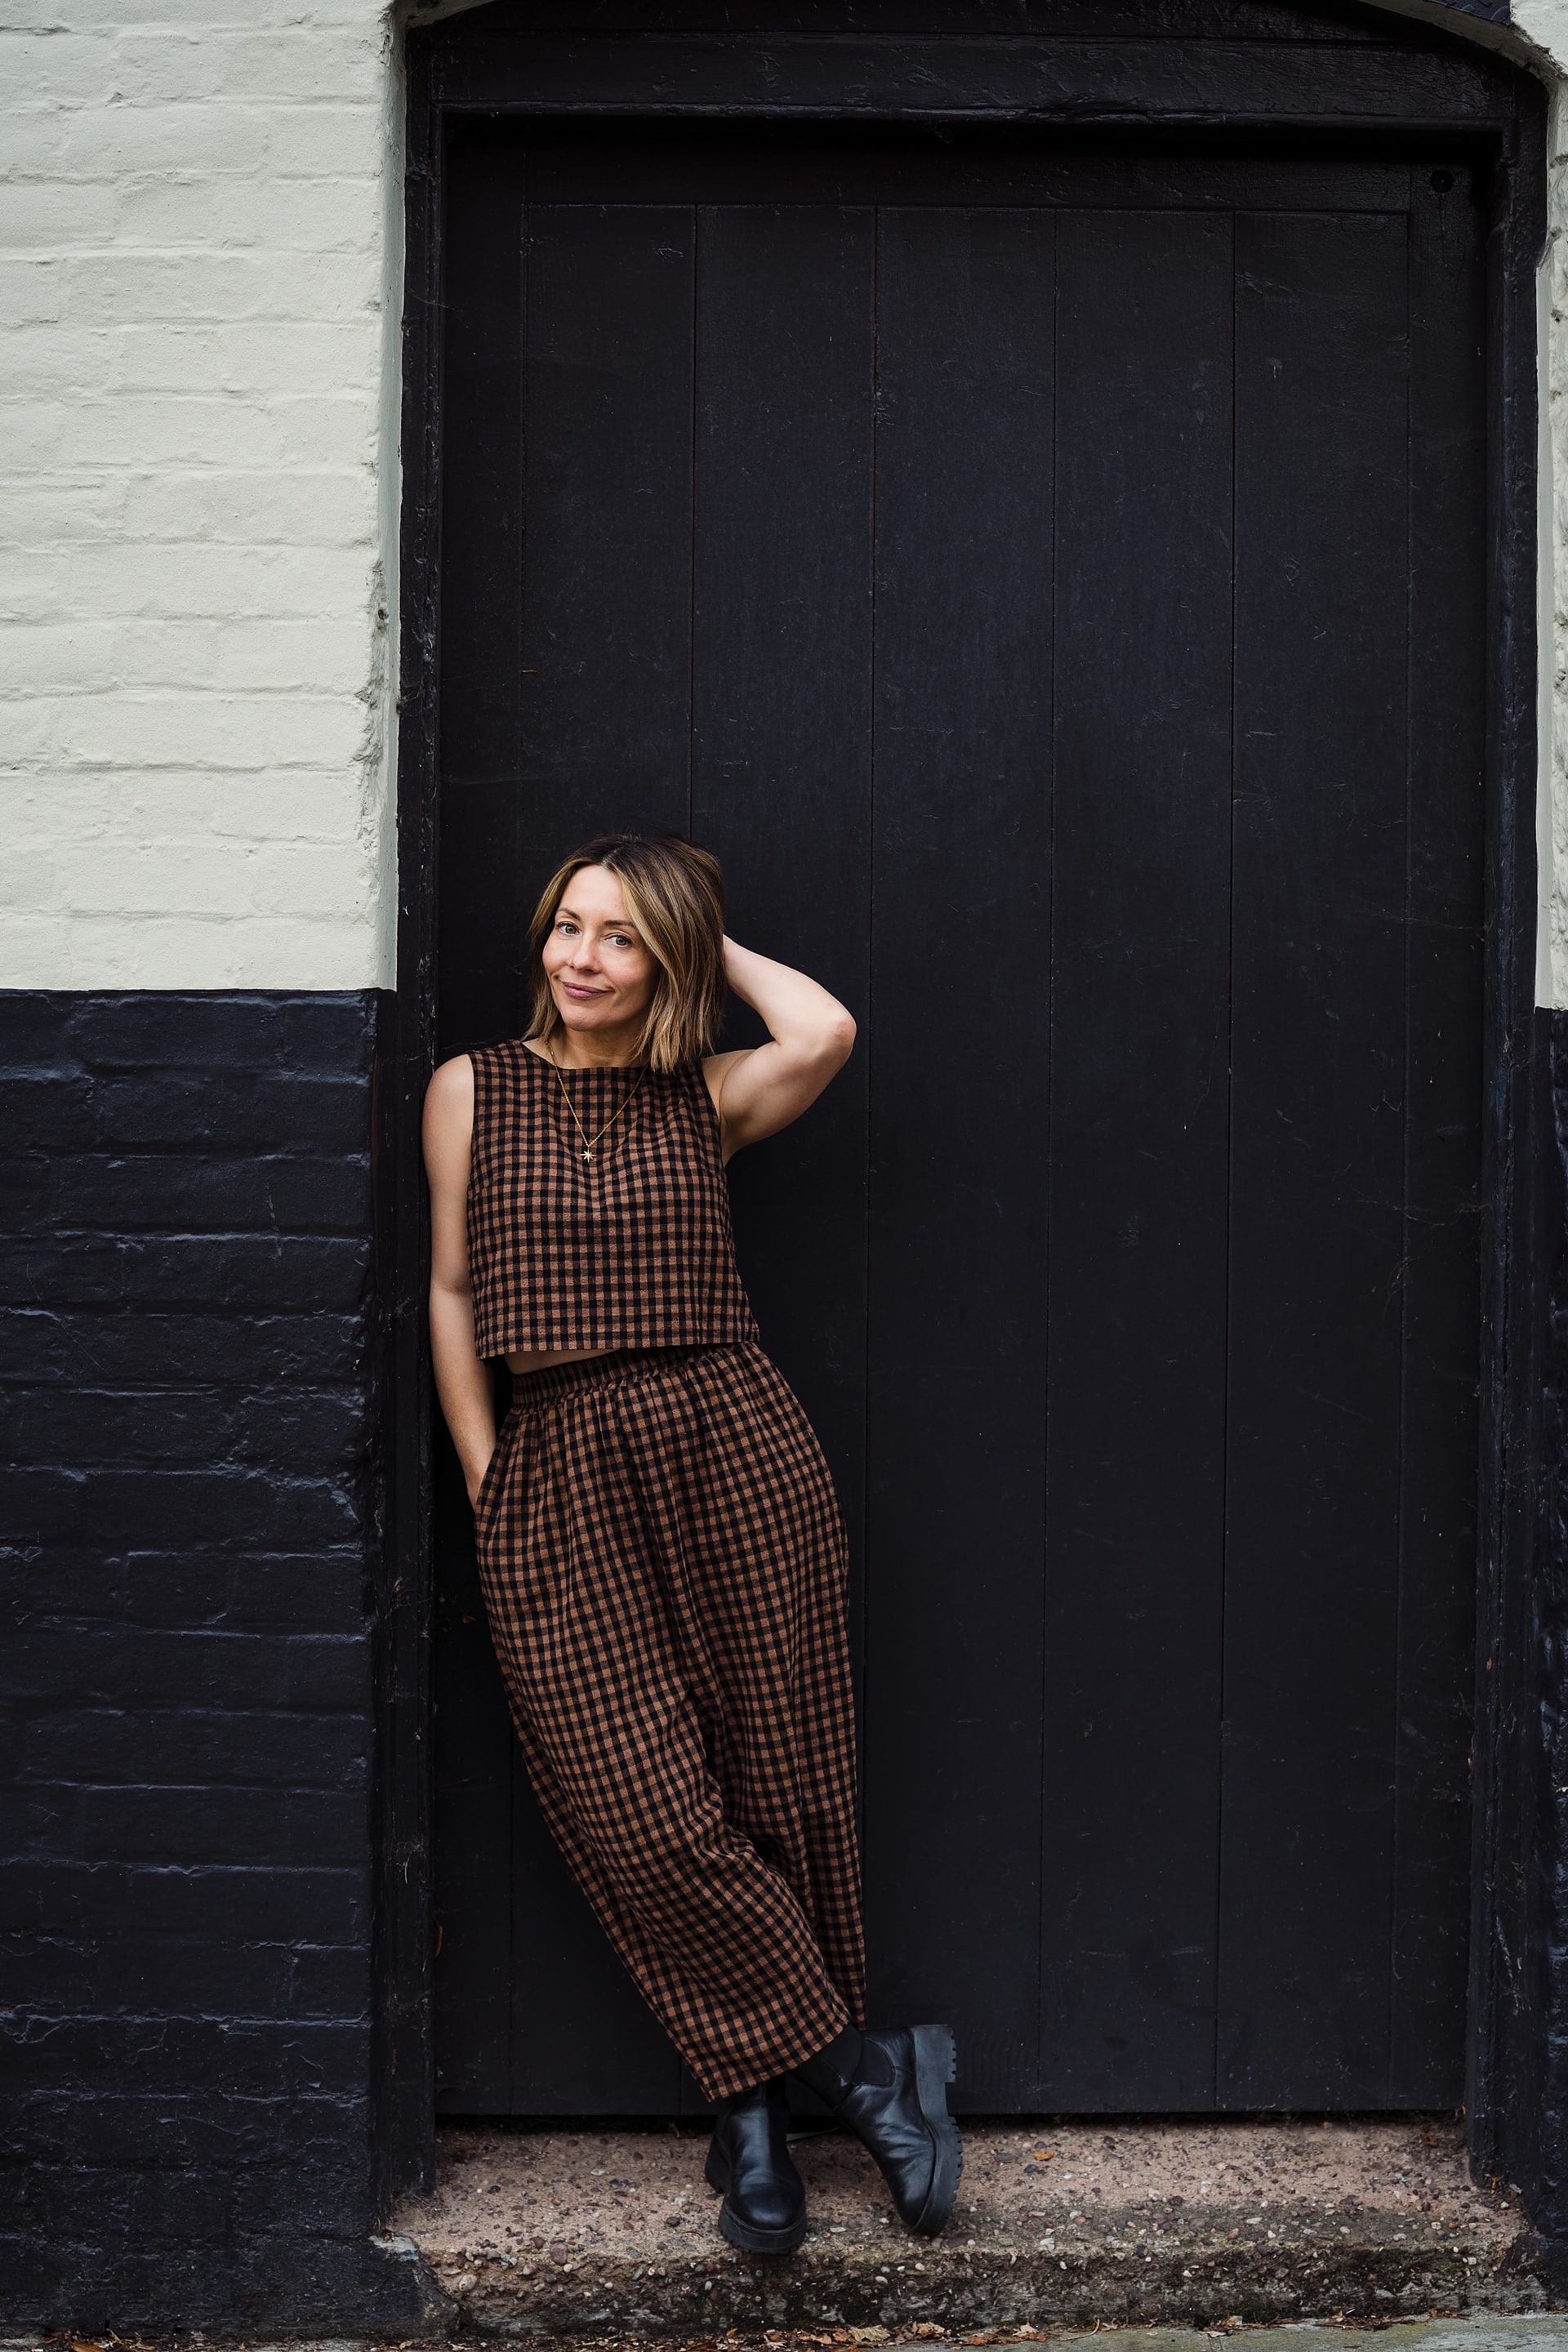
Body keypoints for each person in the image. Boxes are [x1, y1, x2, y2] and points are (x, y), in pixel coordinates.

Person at [423, 831, 961, 2254]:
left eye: (616, 936)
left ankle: (753, 2129)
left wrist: (697, 923)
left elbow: (826, 1027)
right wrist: (490, 1477)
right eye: (564, 927)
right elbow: (453, 1285)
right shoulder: (472, 1090)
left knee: (776, 1784)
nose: (577, 958)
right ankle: (864, 2069)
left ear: (663, 957)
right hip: (556, 1461)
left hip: (731, 1442)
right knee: (643, 1810)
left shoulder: (701, 1095)